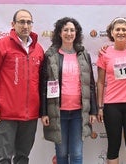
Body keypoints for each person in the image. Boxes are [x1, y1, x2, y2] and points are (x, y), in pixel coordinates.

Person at [0, 9, 44, 164]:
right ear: (13, 24)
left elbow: (42, 82)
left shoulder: (39, 49)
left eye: (29, 22)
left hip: (30, 116)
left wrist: (43, 110)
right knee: (3, 159)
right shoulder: (0, 45)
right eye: (21, 22)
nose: (25, 26)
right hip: (5, 114)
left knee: (23, 158)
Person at [40, 17, 97, 164]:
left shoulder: (84, 55)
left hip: (79, 112)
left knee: (77, 154)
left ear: (76, 33)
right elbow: (44, 85)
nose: (69, 33)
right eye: (65, 30)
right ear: (59, 33)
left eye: (72, 30)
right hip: (58, 112)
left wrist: (93, 111)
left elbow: (90, 84)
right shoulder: (50, 55)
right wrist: (44, 112)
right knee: (62, 154)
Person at [96, 17, 126, 164]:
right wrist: (100, 107)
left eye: (124, 29)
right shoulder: (104, 53)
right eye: (118, 29)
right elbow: (101, 82)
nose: (121, 32)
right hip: (112, 106)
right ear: (111, 32)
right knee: (113, 147)